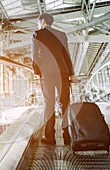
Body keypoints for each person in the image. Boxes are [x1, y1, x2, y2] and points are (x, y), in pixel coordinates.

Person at [31, 13, 78, 145]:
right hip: (62, 72)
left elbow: (34, 56)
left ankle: (50, 137)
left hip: (47, 73)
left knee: (49, 104)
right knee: (65, 103)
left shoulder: (37, 34)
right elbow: (66, 55)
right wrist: (71, 73)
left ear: (42, 21)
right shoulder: (62, 34)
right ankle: (68, 136)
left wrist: (38, 72)